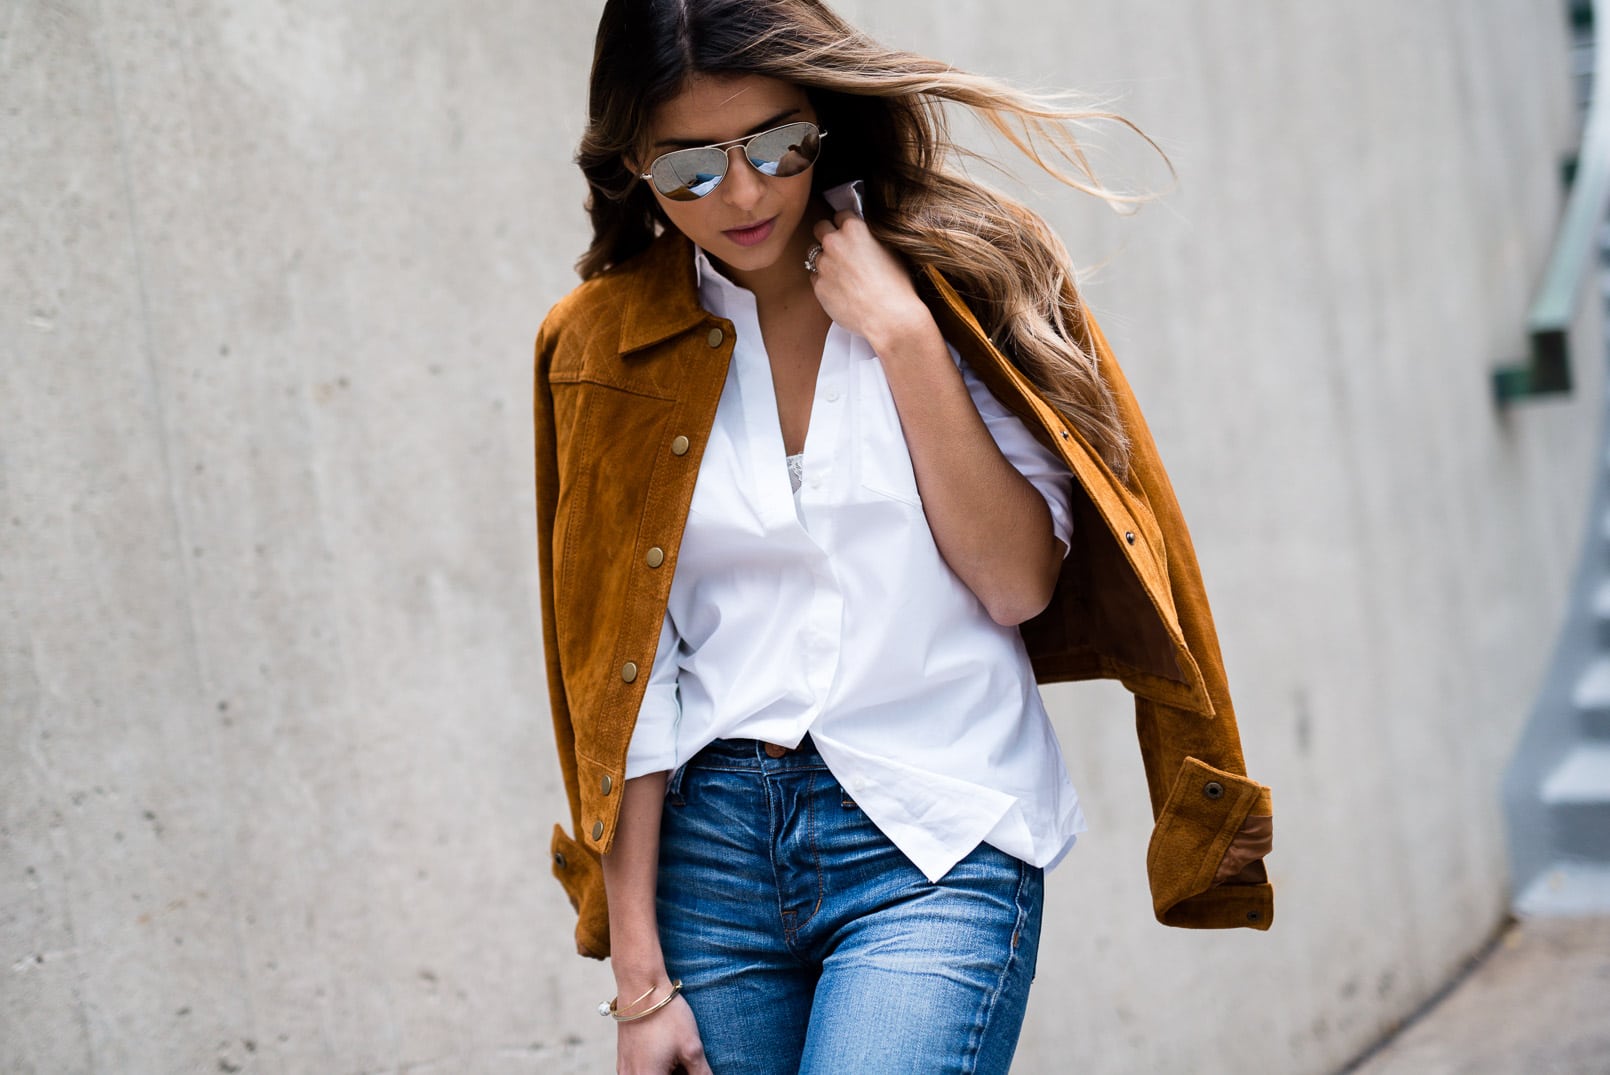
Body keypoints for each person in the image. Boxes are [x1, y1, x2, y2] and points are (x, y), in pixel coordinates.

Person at [531, 1, 1275, 1072]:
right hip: (710, 855)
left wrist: (904, 337)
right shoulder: (598, 343)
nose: (742, 194)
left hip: (933, 825)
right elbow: (621, 680)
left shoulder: (960, 276)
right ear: (631, 164)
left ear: (821, 118)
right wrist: (638, 982)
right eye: (689, 168)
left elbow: (1016, 582)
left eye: (777, 145)